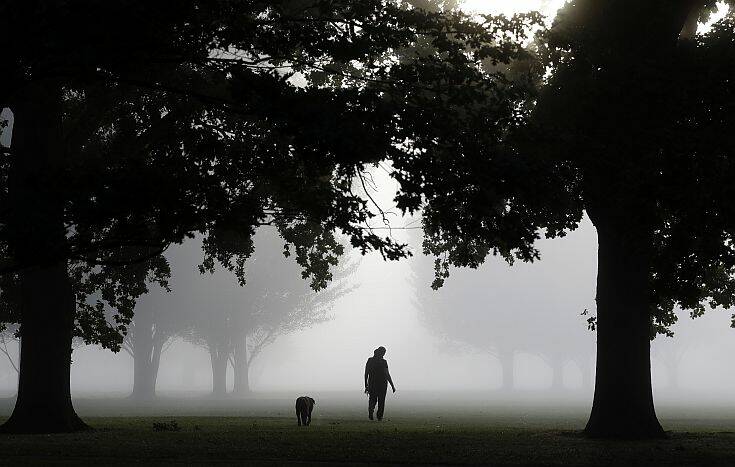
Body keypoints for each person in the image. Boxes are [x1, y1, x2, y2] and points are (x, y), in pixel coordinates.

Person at [364, 346, 396, 421]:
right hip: (382, 384)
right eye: (383, 353)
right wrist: (392, 385)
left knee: (373, 399)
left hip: (372, 383)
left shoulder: (370, 360)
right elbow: (387, 374)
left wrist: (366, 385)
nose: (384, 354)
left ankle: (371, 410)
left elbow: (366, 373)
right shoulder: (383, 362)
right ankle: (379, 416)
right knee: (381, 400)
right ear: (381, 353)